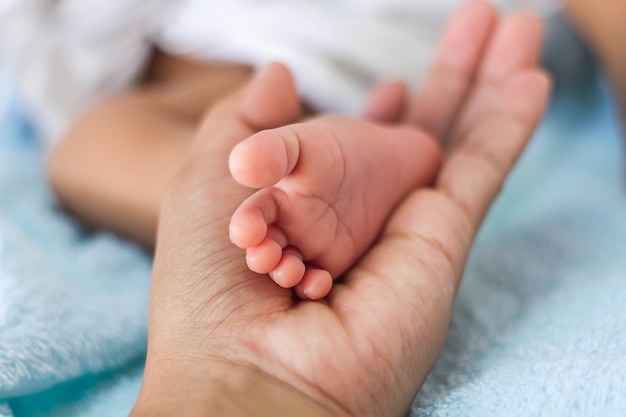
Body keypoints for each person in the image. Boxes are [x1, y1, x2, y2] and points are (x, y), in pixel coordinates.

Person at [127, 4, 550, 415]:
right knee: (88, 144)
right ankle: (298, 185)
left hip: (201, 49)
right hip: (333, 57)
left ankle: (285, 189)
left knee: (84, 147)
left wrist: (227, 371)